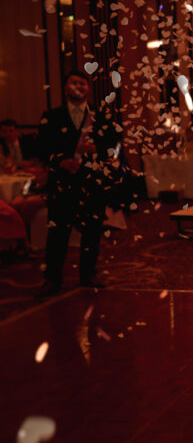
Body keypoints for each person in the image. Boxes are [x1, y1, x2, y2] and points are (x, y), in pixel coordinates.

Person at [37, 70, 120, 296]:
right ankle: (52, 279)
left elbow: (114, 144)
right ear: (66, 88)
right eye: (74, 83)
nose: (79, 87)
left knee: (92, 231)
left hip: (92, 182)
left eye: (83, 83)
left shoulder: (101, 115)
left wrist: (98, 150)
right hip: (63, 182)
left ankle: (88, 275)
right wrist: (61, 161)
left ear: (88, 89)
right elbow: (42, 149)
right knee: (58, 233)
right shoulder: (51, 116)